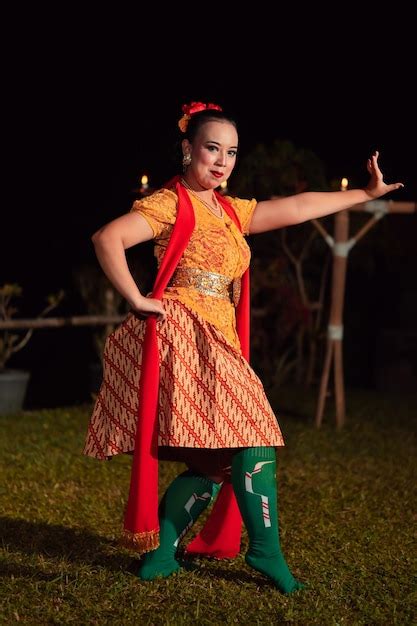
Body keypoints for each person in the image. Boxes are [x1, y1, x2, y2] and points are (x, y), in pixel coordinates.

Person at [83, 101, 403, 594]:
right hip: (185, 334)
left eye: (231, 152)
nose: (222, 161)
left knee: (212, 461)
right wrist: (137, 299)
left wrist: (363, 193)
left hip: (221, 341)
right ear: (188, 149)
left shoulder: (232, 212)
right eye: (212, 148)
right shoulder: (171, 204)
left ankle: (163, 555)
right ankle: (264, 552)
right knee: (254, 433)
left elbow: (296, 207)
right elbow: (108, 238)